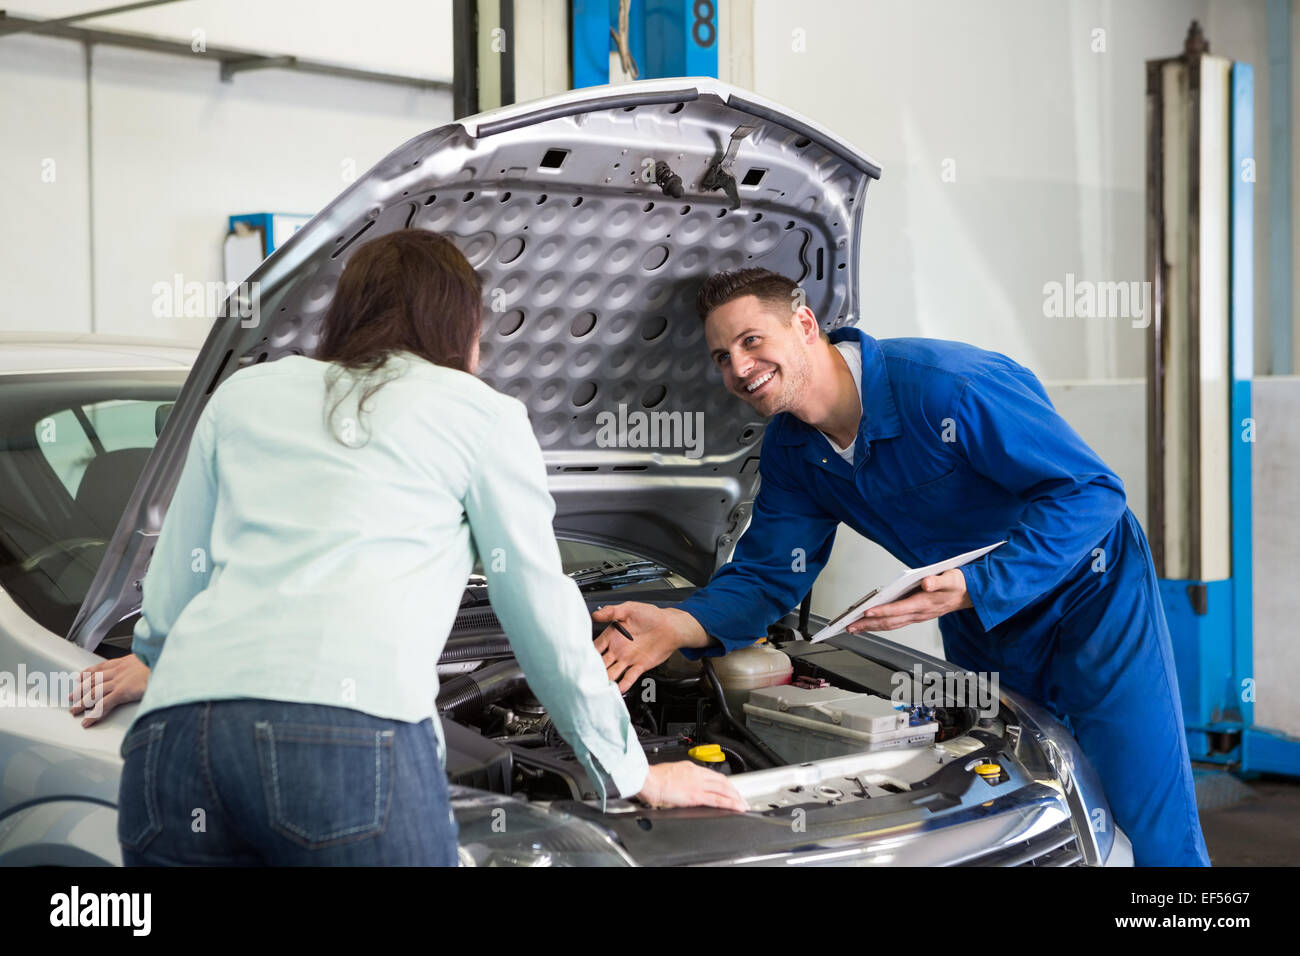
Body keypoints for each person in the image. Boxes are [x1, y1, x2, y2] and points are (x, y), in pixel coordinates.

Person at [71, 229, 745, 866]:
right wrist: (628, 770)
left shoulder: (245, 394)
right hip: (343, 744)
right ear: (464, 328)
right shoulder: (477, 413)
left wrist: (156, 660)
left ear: (346, 314)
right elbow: (540, 610)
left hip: (176, 745)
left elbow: (176, 576)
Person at [592, 267, 1210, 867]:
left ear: (805, 323)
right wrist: (680, 625)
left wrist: (980, 584)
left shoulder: (948, 387)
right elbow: (767, 575)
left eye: (752, 340)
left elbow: (1092, 492)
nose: (738, 367)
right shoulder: (792, 451)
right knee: (1011, 791)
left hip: (1090, 592)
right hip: (976, 615)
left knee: (1141, 795)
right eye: (722, 356)